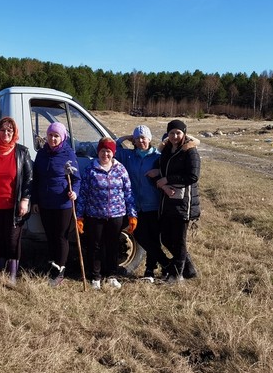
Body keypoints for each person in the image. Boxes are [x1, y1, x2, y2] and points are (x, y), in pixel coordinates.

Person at [76, 137, 137, 290]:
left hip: (116, 215)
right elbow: (83, 194)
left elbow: (128, 192)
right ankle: (95, 276)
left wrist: (132, 214)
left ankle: (112, 275)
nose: (105, 154)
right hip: (94, 215)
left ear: (113, 153)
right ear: (98, 152)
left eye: (108, 151)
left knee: (113, 245)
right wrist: (79, 216)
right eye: (103, 151)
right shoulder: (90, 170)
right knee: (94, 246)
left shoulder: (121, 169)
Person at [114, 125, 170, 282]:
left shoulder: (158, 156)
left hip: (153, 203)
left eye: (143, 137)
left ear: (149, 139)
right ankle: (166, 263)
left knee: (154, 237)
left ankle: (150, 270)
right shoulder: (129, 156)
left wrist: (158, 172)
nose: (140, 141)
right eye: (137, 138)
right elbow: (113, 149)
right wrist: (123, 138)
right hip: (134, 204)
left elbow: (168, 170)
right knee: (140, 235)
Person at [150, 119, 201, 283]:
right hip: (167, 200)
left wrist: (167, 179)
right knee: (165, 237)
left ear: (184, 133)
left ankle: (176, 275)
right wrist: (158, 175)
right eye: (172, 133)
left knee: (179, 240)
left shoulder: (190, 151)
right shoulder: (166, 150)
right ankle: (189, 268)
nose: (175, 136)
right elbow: (161, 169)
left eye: (178, 133)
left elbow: (192, 176)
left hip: (183, 201)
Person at [31, 122, 80, 286]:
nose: (53, 138)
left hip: (62, 203)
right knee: (50, 236)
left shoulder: (68, 154)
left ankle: (60, 271)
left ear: (63, 137)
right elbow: (36, 178)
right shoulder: (42, 153)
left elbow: (76, 179)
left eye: (56, 135)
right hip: (45, 202)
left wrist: (75, 193)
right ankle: (53, 265)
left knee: (61, 237)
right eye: (51, 135)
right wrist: (36, 200)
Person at [0, 117, 33, 285]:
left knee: (13, 239)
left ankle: (12, 274)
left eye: (9, 131)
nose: (6, 133)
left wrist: (25, 200)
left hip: (14, 206)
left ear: (14, 133)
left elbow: (29, 178)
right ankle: (0, 270)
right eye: (3, 130)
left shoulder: (22, 152)